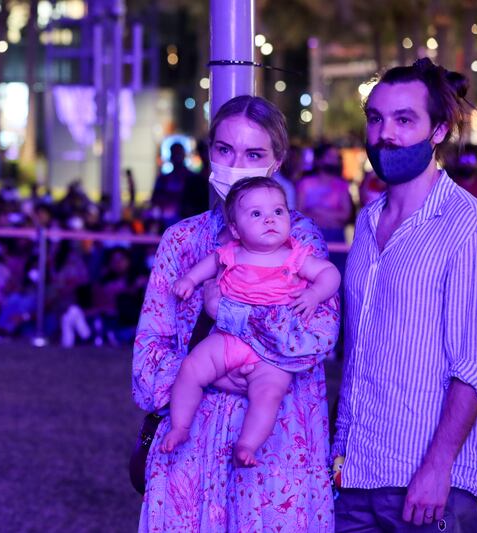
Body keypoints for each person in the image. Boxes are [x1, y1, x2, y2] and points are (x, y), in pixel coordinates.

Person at [133, 95, 338, 531]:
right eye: (225, 150)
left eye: (254, 153)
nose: (236, 162)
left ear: (277, 161)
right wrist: (205, 374)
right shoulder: (181, 241)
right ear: (209, 153)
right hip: (189, 454)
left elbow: (314, 342)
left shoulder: (302, 244)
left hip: (276, 456)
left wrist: (227, 315)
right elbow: (147, 360)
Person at [334, 57, 477, 531]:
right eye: (376, 119)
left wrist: (437, 467)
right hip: (355, 473)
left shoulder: (472, 228)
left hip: (428, 486)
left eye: (404, 120)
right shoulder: (367, 223)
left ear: (437, 131)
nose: (385, 134)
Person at [159, 177, 340, 467]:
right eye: (256, 214)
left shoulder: (295, 256)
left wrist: (315, 294)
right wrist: (189, 280)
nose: (270, 219)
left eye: (278, 211)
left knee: (268, 394)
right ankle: (180, 425)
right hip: (231, 338)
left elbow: (330, 274)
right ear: (235, 229)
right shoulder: (232, 253)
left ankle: (248, 445)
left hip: (274, 350)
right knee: (191, 367)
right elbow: (210, 265)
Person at [296, 143, 354, 242]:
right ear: (319, 159)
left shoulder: (342, 185)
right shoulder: (305, 183)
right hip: (309, 236)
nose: (334, 160)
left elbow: (346, 215)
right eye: (330, 156)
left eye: (336, 157)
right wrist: (332, 218)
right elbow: (299, 213)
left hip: (335, 235)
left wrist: (317, 210)